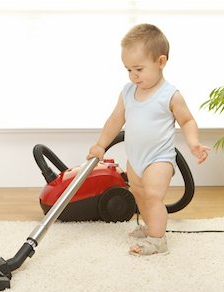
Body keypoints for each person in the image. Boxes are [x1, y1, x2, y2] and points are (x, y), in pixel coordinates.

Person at [87, 24, 210, 256]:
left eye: (139, 69)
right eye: (128, 70)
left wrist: (193, 142)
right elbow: (115, 120)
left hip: (159, 158)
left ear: (160, 62)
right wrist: (101, 144)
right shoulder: (127, 92)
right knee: (140, 195)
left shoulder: (170, 94)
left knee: (153, 196)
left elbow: (187, 121)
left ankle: (158, 240)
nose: (133, 76)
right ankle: (150, 226)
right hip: (135, 158)